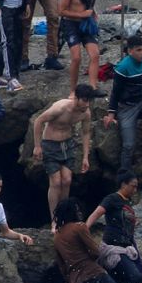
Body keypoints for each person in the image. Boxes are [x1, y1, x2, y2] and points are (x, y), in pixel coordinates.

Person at [53, 198, 142, 283]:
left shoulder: (57, 236)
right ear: (72, 212)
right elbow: (96, 252)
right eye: (77, 210)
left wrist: (71, 279)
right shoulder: (79, 227)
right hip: (95, 274)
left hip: (76, 281)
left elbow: (61, 265)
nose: (80, 212)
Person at [30, 85, 103, 226]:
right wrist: (37, 146)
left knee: (67, 180)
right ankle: (54, 219)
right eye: (84, 101)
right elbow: (39, 121)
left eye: (89, 101)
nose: (87, 105)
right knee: (56, 182)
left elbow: (86, 132)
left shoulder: (85, 112)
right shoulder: (60, 108)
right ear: (76, 98)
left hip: (68, 145)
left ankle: (64, 215)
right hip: (51, 144)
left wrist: (85, 157)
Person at [103, 35, 142, 169]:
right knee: (128, 145)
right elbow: (115, 92)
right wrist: (111, 113)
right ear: (130, 51)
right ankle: (124, 176)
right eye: (139, 50)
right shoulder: (122, 68)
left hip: (141, 101)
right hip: (126, 108)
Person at [57, 0, 102, 91]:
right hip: (71, 24)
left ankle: (93, 87)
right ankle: (73, 90)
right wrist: (80, 14)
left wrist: (92, 13)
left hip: (86, 24)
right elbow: (61, 11)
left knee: (95, 55)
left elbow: (90, 5)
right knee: (76, 57)